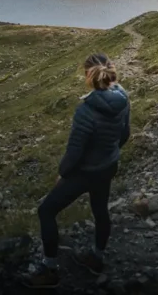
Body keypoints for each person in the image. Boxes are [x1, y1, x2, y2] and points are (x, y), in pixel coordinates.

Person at [23, 53, 130, 289]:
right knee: (100, 210)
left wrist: (63, 173)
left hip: (84, 173)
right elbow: (125, 134)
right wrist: (109, 154)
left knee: (46, 211)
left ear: (87, 76)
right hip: (108, 167)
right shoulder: (123, 97)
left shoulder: (86, 110)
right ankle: (96, 258)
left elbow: (74, 153)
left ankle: (50, 270)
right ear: (111, 71)